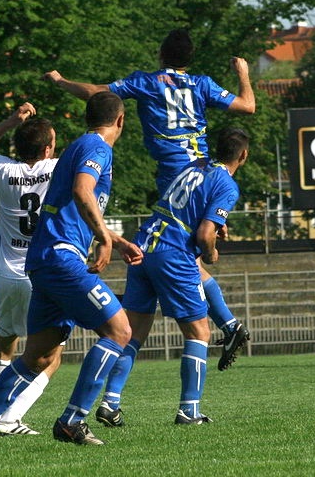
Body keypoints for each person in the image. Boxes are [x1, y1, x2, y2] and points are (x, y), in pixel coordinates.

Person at [43, 28, 254, 370]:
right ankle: (229, 325)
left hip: (176, 174)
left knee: (181, 254)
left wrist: (62, 81)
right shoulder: (201, 84)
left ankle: (228, 325)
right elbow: (247, 105)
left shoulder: (147, 82)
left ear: (160, 55)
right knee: (191, 251)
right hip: (205, 170)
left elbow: (98, 94)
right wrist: (242, 73)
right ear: (191, 58)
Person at [0, 91, 144, 448]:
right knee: (120, 331)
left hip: (40, 259)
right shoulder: (97, 148)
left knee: (38, 355)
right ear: (120, 120)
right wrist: (104, 237)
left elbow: (70, 204)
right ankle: (73, 420)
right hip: (62, 258)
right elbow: (82, 189)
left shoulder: (75, 148)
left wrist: (113, 240)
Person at [97, 127, 250, 428]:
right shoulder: (228, 185)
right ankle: (188, 411)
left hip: (144, 245)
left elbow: (192, 208)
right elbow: (205, 234)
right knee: (198, 334)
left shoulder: (195, 165)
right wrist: (211, 251)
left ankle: (110, 402)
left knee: (133, 333)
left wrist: (212, 226)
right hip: (172, 255)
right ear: (243, 155)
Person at [0, 102, 60, 436]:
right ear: (49, 148)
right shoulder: (59, 168)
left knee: (4, 345)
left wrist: (11, 120)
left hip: (10, 273)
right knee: (51, 353)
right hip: (45, 272)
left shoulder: (5, 171)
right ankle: (10, 418)